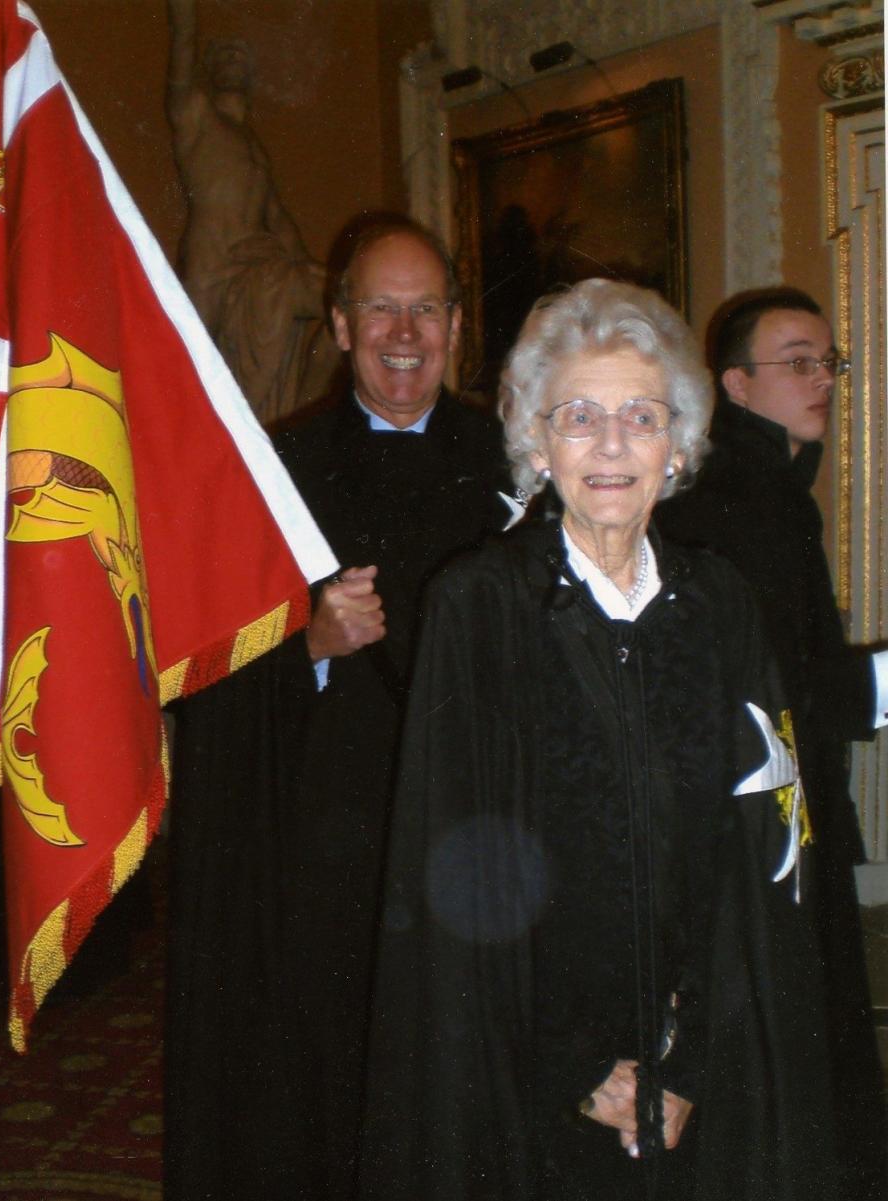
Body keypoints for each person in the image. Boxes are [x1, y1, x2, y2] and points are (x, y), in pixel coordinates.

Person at [359, 280, 841, 1201]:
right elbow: (459, 877)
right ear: (537, 443)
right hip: (532, 1076)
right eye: (578, 416)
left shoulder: (720, 606)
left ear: (682, 442)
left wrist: (691, 1063)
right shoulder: (482, 605)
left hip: (705, 1069)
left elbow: (766, 854)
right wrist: (582, 1070)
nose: (613, 444)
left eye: (642, 416)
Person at [165, 217, 517, 1201]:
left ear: (454, 323)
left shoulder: (519, 468)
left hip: (476, 846)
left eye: (426, 308)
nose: (404, 332)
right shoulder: (273, 473)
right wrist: (305, 647)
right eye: (380, 308)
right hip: (326, 852)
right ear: (339, 322)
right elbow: (202, 678)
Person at [655, 287, 887, 1198]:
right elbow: (794, 687)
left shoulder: (766, 487)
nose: (820, 379)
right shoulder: (754, 500)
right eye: (797, 360)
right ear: (737, 386)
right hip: (766, 817)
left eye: (827, 361)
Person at [166, 0, 337, 425]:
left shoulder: (253, 146)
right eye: (223, 54)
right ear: (208, 69)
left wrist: (305, 266)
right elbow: (183, 44)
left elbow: (278, 218)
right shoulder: (196, 117)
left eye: (241, 55)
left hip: (260, 263)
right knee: (189, 382)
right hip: (211, 266)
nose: (233, 60)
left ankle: (304, 409)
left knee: (349, 300)